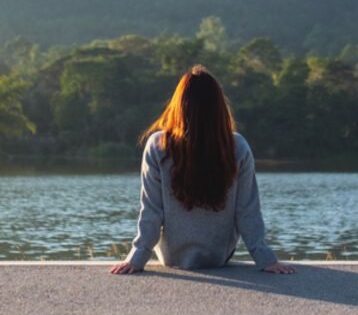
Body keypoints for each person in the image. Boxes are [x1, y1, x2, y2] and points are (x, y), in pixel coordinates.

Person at [110, 64, 296, 276]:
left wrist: (138, 256)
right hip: (219, 255)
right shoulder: (237, 146)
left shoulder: (158, 145)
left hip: (172, 256)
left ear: (179, 105)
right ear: (219, 107)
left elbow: (152, 210)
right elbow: (247, 210)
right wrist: (265, 259)